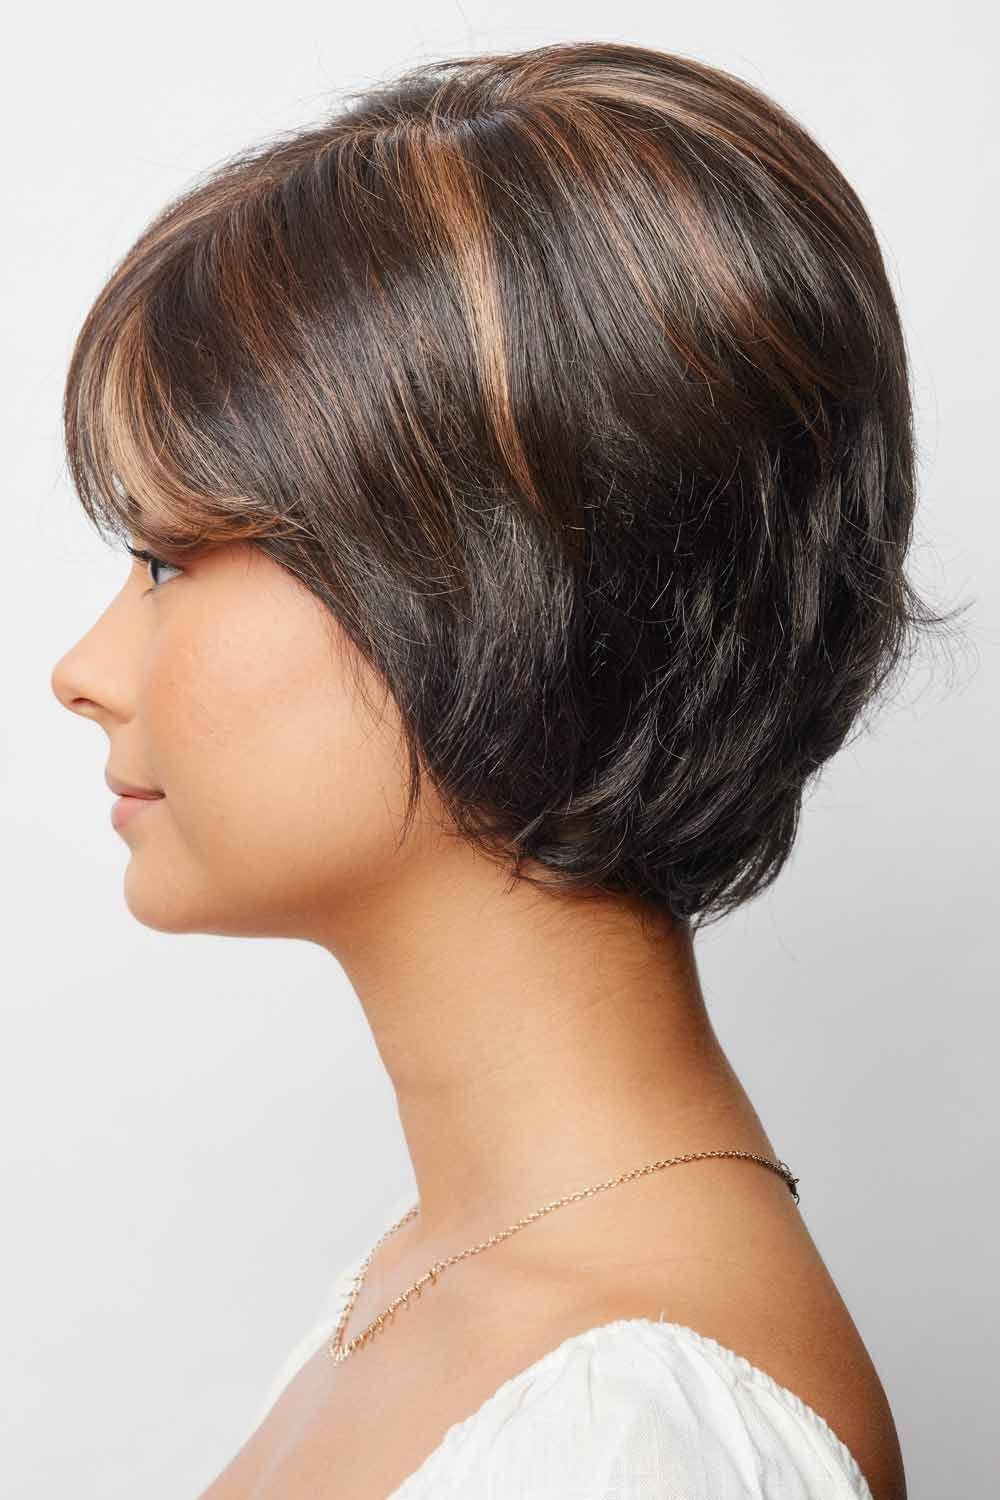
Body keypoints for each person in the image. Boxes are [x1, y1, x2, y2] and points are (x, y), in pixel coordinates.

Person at [50, 38, 959, 1499]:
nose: (82, 670)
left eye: (168, 561)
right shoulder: (436, 1284)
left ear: (487, 586)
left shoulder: (622, 1433)